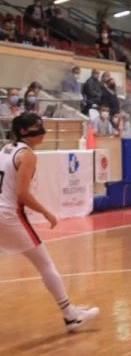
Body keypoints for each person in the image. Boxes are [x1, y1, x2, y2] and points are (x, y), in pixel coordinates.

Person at [0, 113, 99, 331]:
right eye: (37, 127)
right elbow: (22, 194)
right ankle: (70, 315)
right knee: (45, 264)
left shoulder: (6, 149)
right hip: (9, 215)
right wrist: (46, 212)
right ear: (24, 131)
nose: (43, 132)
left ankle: (70, 312)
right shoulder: (26, 155)